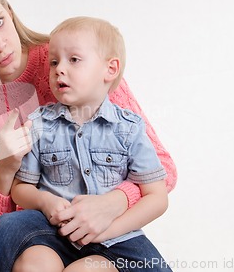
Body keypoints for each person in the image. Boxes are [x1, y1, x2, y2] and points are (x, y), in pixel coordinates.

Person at [0, 0, 177, 271]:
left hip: (108, 233)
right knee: (30, 258)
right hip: (39, 231)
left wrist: (115, 202)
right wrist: (5, 171)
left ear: (10, 10)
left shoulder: (73, 59)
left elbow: (162, 169)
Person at [10, 16, 171, 272]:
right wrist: (44, 201)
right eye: (54, 62)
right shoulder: (39, 124)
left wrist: (109, 229)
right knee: (32, 265)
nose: (59, 69)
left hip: (116, 241)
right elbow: (20, 188)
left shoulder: (128, 128)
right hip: (54, 237)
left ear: (110, 69)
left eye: (74, 60)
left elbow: (157, 197)